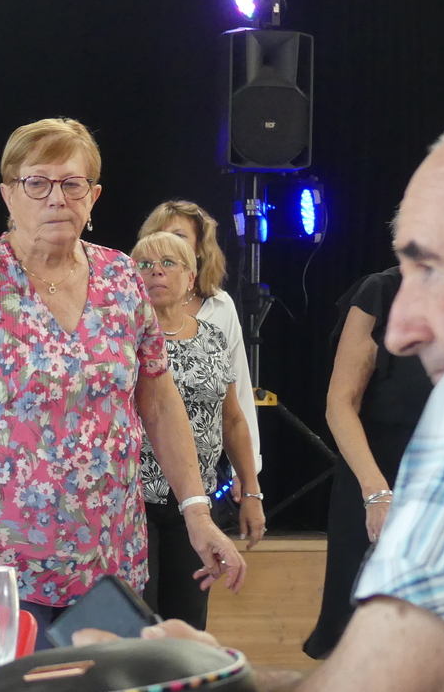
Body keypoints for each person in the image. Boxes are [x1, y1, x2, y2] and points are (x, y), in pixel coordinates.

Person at [75, 108, 444, 692]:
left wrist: (217, 679)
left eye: (431, 268)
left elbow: (369, 685)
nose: (399, 330)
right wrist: (223, 674)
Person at [0, 118, 245, 649]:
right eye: (36, 183)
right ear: (8, 194)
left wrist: (197, 513)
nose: (56, 198)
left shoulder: (123, 278)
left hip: (110, 564)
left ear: (93, 196)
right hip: (0, 567)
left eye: (72, 183)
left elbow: (160, 404)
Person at [130, 232, 264, 631]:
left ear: (191, 278)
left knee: (187, 624)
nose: (156, 271)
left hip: (196, 502)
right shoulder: (120, 338)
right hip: (133, 501)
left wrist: (251, 491)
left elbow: (233, 419)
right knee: (139, 623)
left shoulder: (212, 336)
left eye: (169, 263)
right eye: (144, 265)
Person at [301, 266, 432, 658]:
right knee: (362, 636)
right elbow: (340, 404)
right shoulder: (382, 291)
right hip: (376, 476)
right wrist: (376, 493)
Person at [138, 200, 260, 492]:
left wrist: (247, 473)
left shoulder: (220, 306)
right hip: (139, 481)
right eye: (158, 235)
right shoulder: (128, 312)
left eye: (178, 236)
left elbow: (237, 398)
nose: (166, 244)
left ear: (199, 249)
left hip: (200, 479)